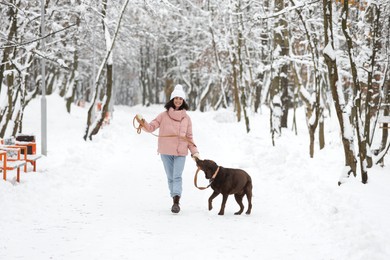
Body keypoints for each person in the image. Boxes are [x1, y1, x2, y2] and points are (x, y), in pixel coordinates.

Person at [136, 84, 199, 214]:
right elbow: (152, 127)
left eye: (180, 99)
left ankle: (176, 201)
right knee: (170, 177)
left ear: (183, 101)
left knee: (177, 176)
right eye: (176, 98)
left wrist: (195, 152)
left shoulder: (187, 118)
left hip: (181, 152)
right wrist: (143, 123)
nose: (178, 101)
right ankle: (174, 197)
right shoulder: (163, 115)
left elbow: (189, 137)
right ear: (172, 100)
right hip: (166, 151)